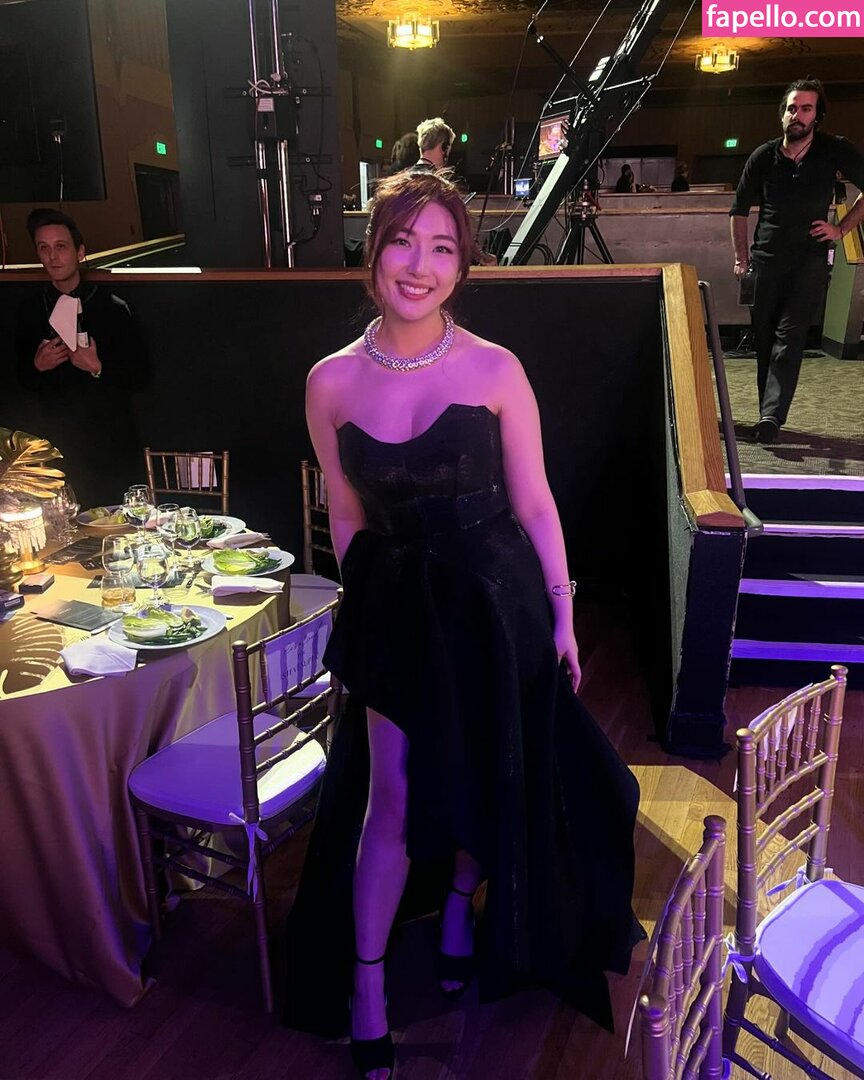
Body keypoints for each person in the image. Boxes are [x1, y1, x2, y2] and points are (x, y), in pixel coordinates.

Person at [284, 170, 642, 1080]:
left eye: (442, 248)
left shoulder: (495, 368)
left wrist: (563, 613)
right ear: (374, 252)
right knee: (392, 798)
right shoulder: (328, 380)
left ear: (462, 267)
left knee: (488, 771)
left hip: (495, 602)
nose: (421, 265)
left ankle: (455, 911)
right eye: (404, 242)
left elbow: (536, 503)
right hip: (397, 611)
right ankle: (368, 989)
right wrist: (367, 609)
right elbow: (345, 514)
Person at [730, 77, 864, 443]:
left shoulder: (834, 150)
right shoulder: (763, 156)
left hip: (809, 263)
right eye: (792, 108)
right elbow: (738, 210)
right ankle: (767, 412)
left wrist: (841, 229)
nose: (797, 115)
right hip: (764, 262)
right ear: (782, 114)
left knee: (789, 340)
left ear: (817, 115)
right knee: (764, 342)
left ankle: (771, 416)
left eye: (806, 108)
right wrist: (741, 259)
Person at [14, 208, 147, 506]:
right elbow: (21, 381)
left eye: (61, 246)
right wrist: (37, 366)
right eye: (44, 248)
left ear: (80, 252)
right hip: (57, 444)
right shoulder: (30, 311)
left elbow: (140, 377)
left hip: (111, 442)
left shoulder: (113, 308)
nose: (52, 257)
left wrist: (98, 367)